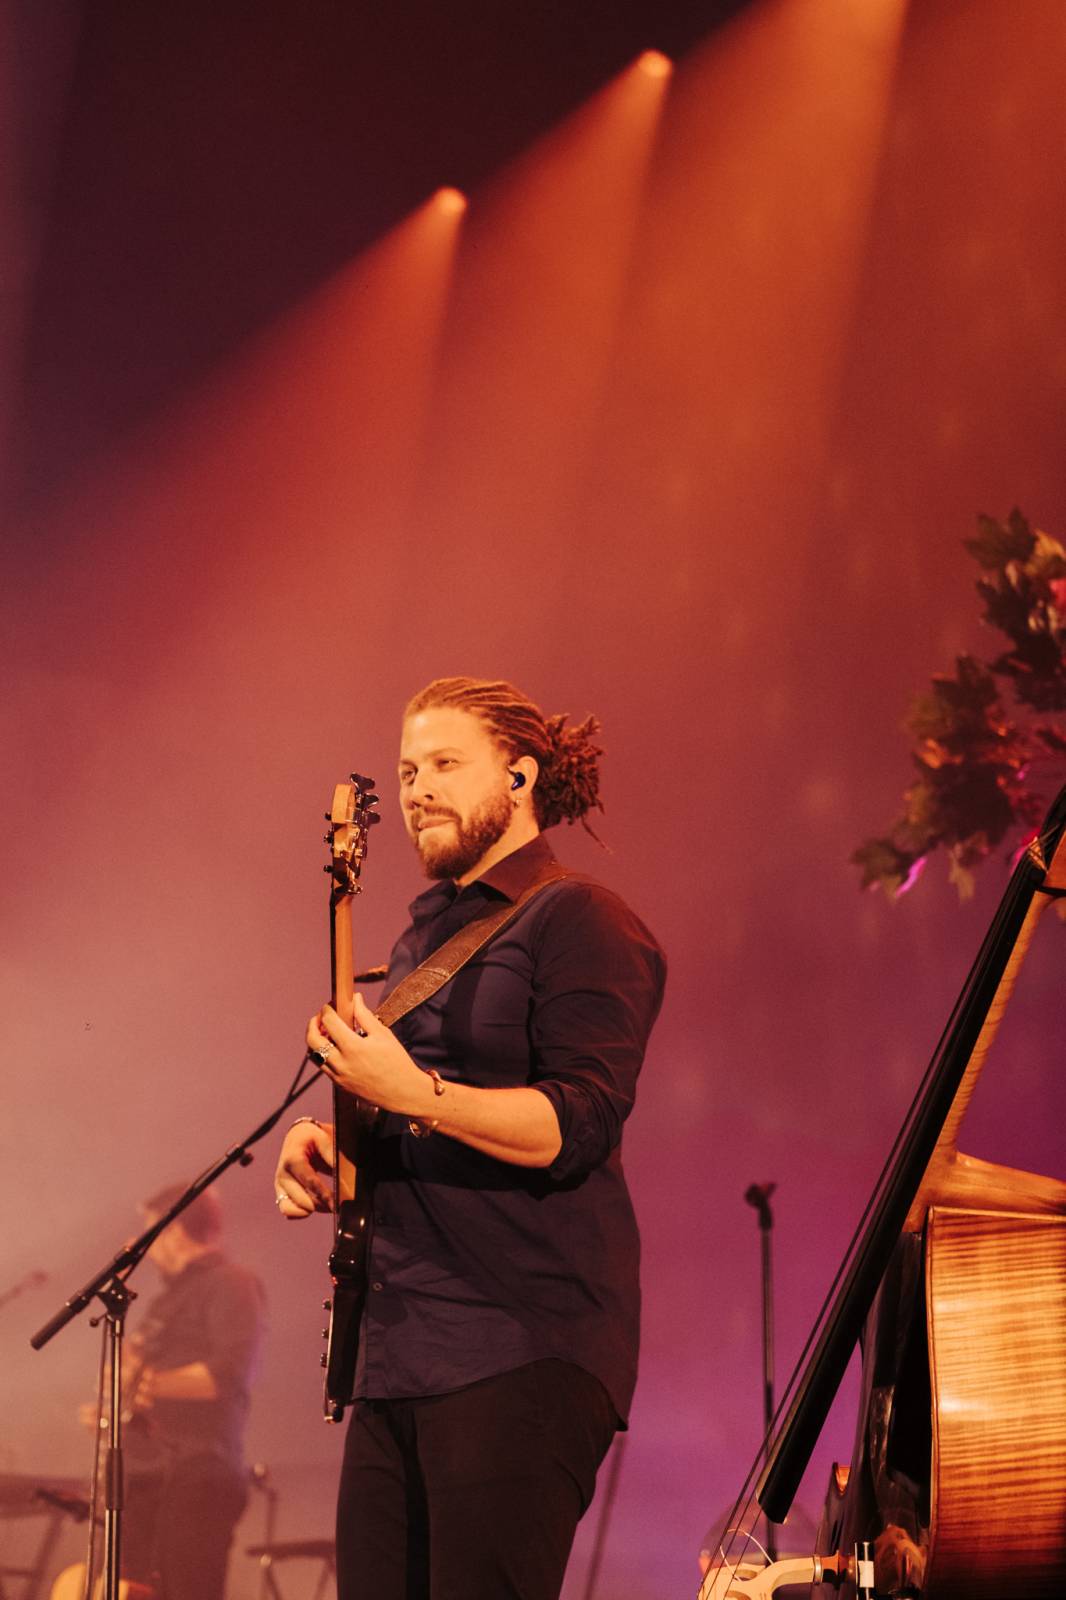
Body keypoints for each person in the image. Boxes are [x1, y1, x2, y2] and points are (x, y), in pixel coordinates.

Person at [273, 675, 666, 1600]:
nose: (417, 789)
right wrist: (335, 1151)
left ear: (521, 778)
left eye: (447, 763)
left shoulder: (581, 919)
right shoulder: (417, 944)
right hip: (397, 1347)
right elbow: (413, 1116)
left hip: (520, 1339)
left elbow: (576, 1122)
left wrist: (414, 1092)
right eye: (409, 770)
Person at [82, 1184, 266, 1600]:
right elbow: (140, 1369)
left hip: (196, 1474)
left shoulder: (231, 1283)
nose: (144, 1248)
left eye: (150, 1233)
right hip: (145, 1478)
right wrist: (117, 1405)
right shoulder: (167, 1298)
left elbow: (229, 1374)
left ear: (175, 1231)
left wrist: (146, 1385)